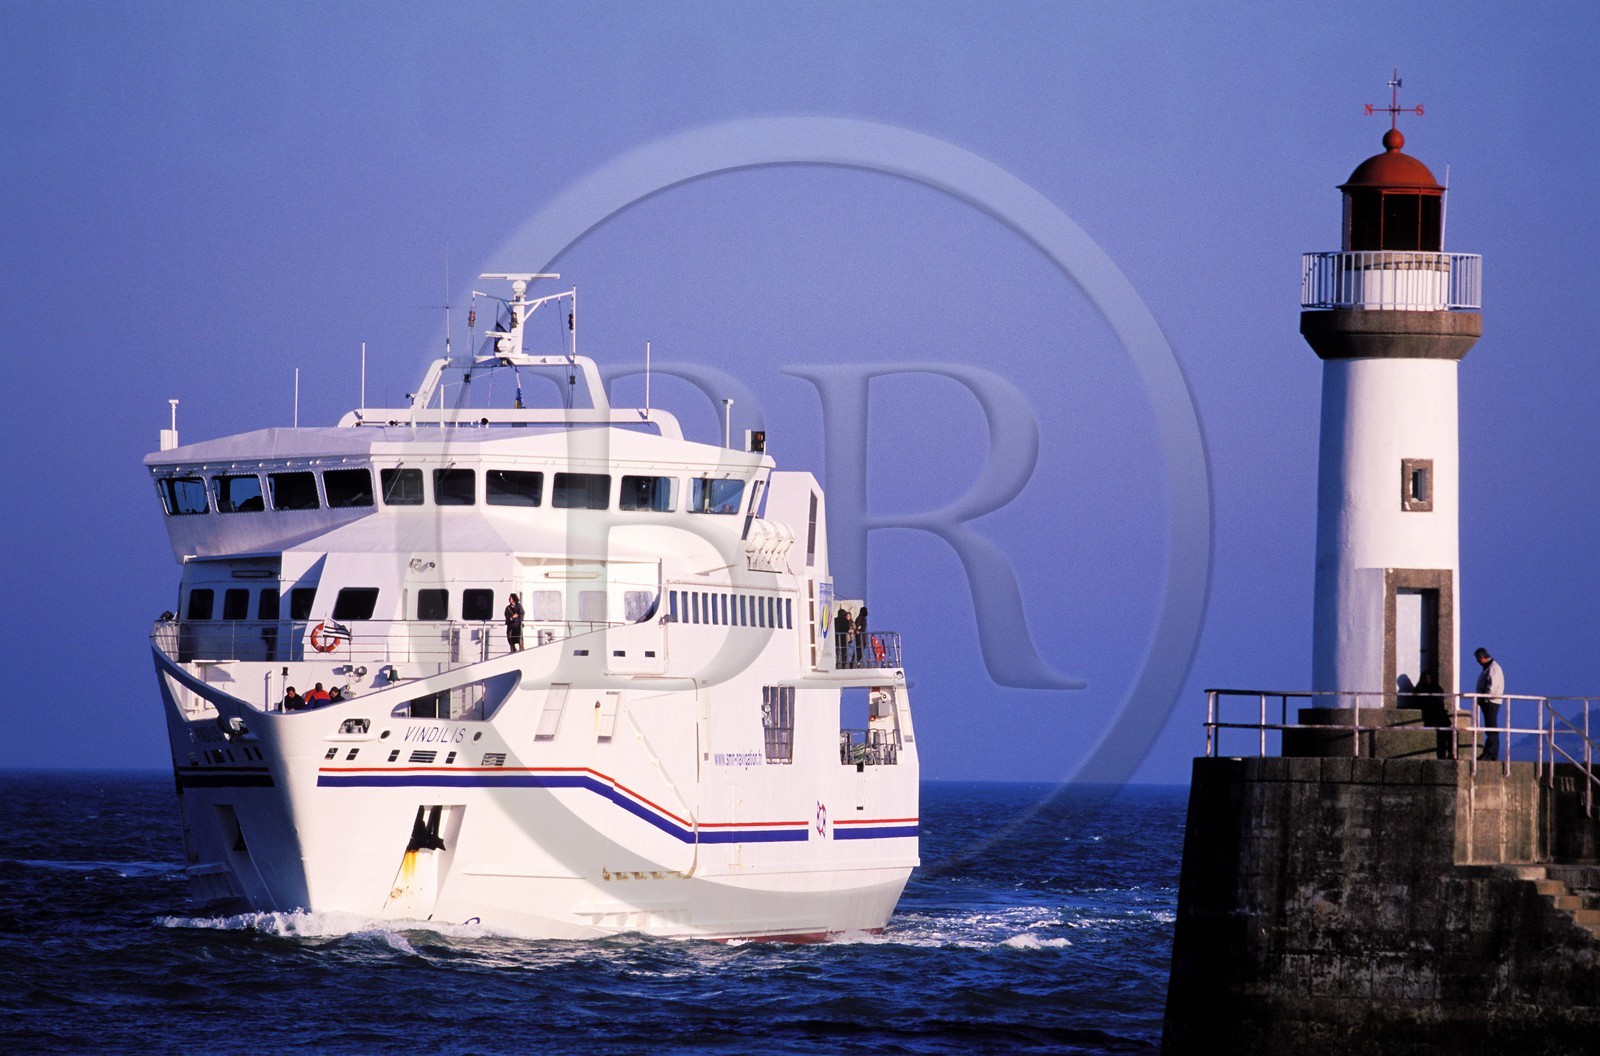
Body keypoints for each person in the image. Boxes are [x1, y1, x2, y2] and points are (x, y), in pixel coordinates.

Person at [1408, 670, 1451, 759]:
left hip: (1439, 714)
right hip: (1430, 715)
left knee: (1448, 733)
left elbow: (1439, 701)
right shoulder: (1420, 688)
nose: (1428, 680)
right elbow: (1416, 700)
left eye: (1429, 678)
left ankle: (1450, 753)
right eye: (1426, 678)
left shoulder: (1437, 688)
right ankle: (1443, 755)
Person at [1473, 647, 1506, 762]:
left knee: (1491, 727)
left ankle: (1490, 752)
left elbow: (1492, 686)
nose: (1477, 662)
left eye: (1478, 659)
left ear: (1482, 658)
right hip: (1488, 701)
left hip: (1491, 702)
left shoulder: (1493, 668)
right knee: (1490, 727)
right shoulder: (1489, 668)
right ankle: (1491, 753)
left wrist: (1485, 698)